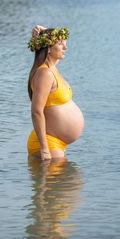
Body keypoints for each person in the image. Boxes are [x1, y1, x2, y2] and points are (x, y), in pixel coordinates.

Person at [27, 25, 85, 161]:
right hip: (48, 143)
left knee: (67, 182)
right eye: (60, 44)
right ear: (48, 49)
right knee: (57, 182)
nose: (65, 47)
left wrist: (45, 32)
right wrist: (45, 148)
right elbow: (36, 111)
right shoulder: (44, 73)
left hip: (55, 143)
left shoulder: (52, 68)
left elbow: (56, 45)